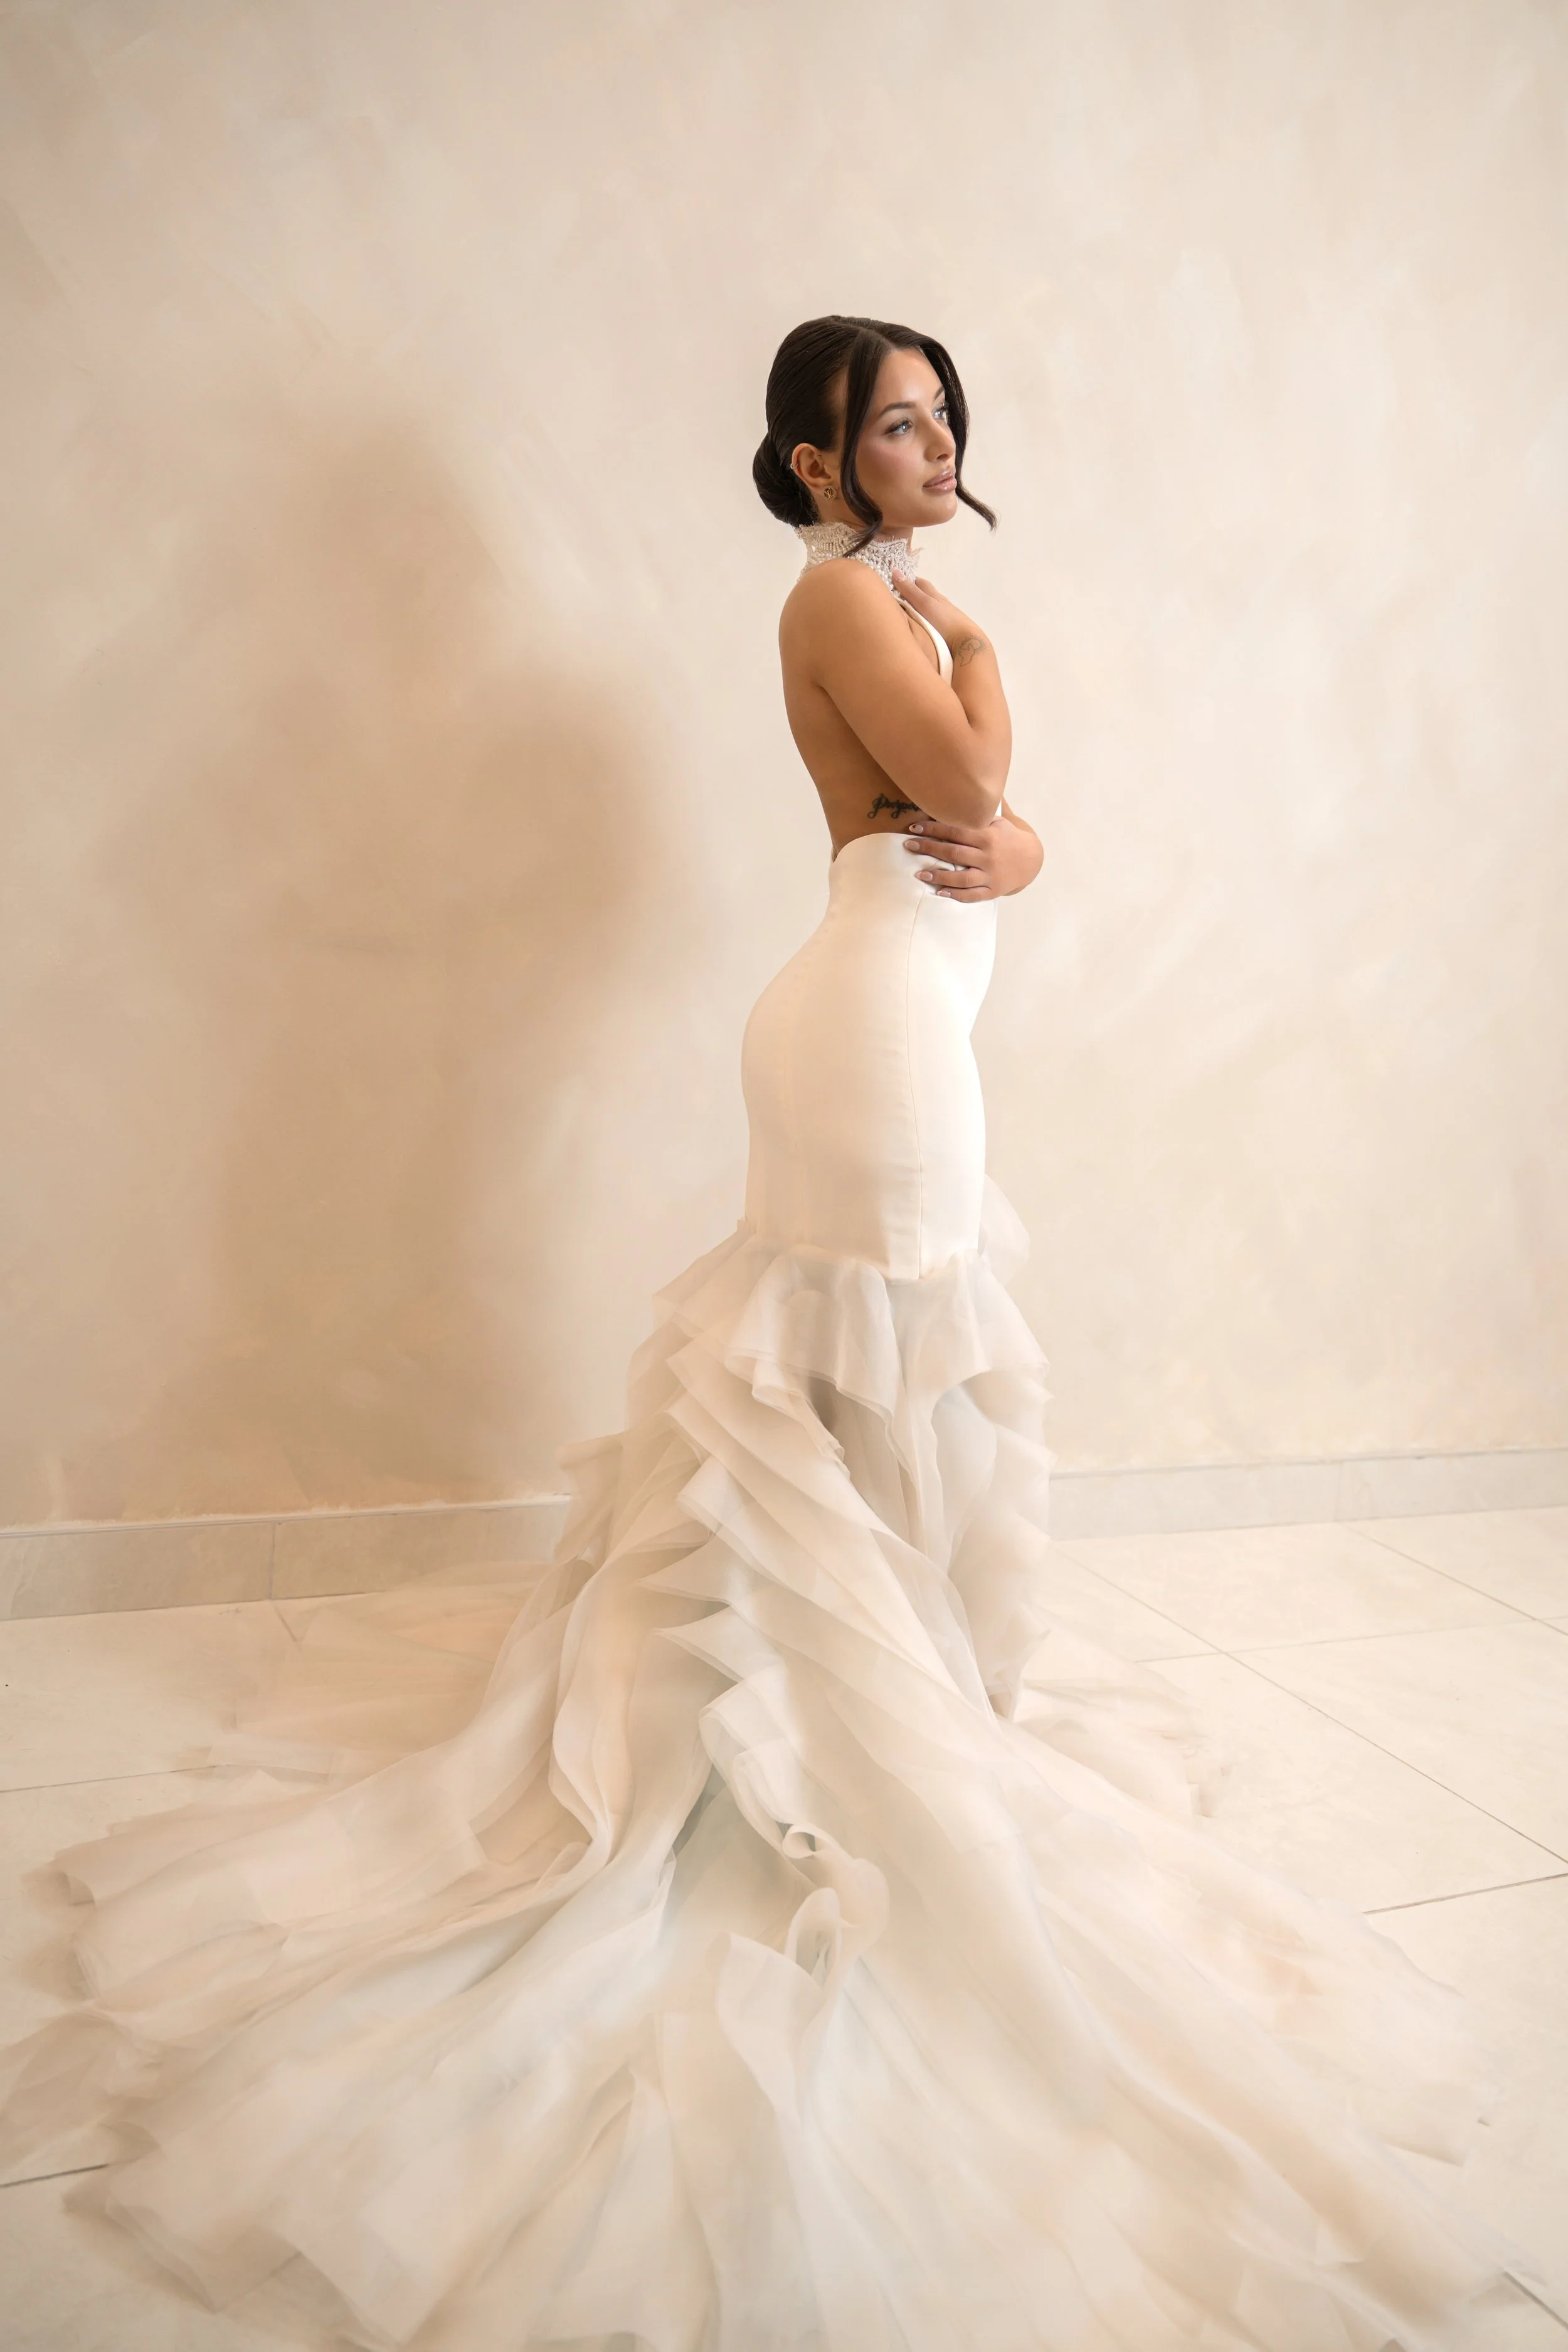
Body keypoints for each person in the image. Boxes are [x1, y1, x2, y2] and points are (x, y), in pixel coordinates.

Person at [0, 314, 1540, 2351]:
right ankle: (811, 1765)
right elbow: (967, 783)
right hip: (871, 1035)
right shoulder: (841, 595)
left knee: (875, 1385)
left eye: (940, 415)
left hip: (902, 1007)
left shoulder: (882, 592)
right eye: (892, 422)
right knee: (853, 1375)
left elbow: (990, 838)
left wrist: (1022, 814)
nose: (930, 441)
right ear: (816, 462)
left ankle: (868, 1717)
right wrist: (989, 679)